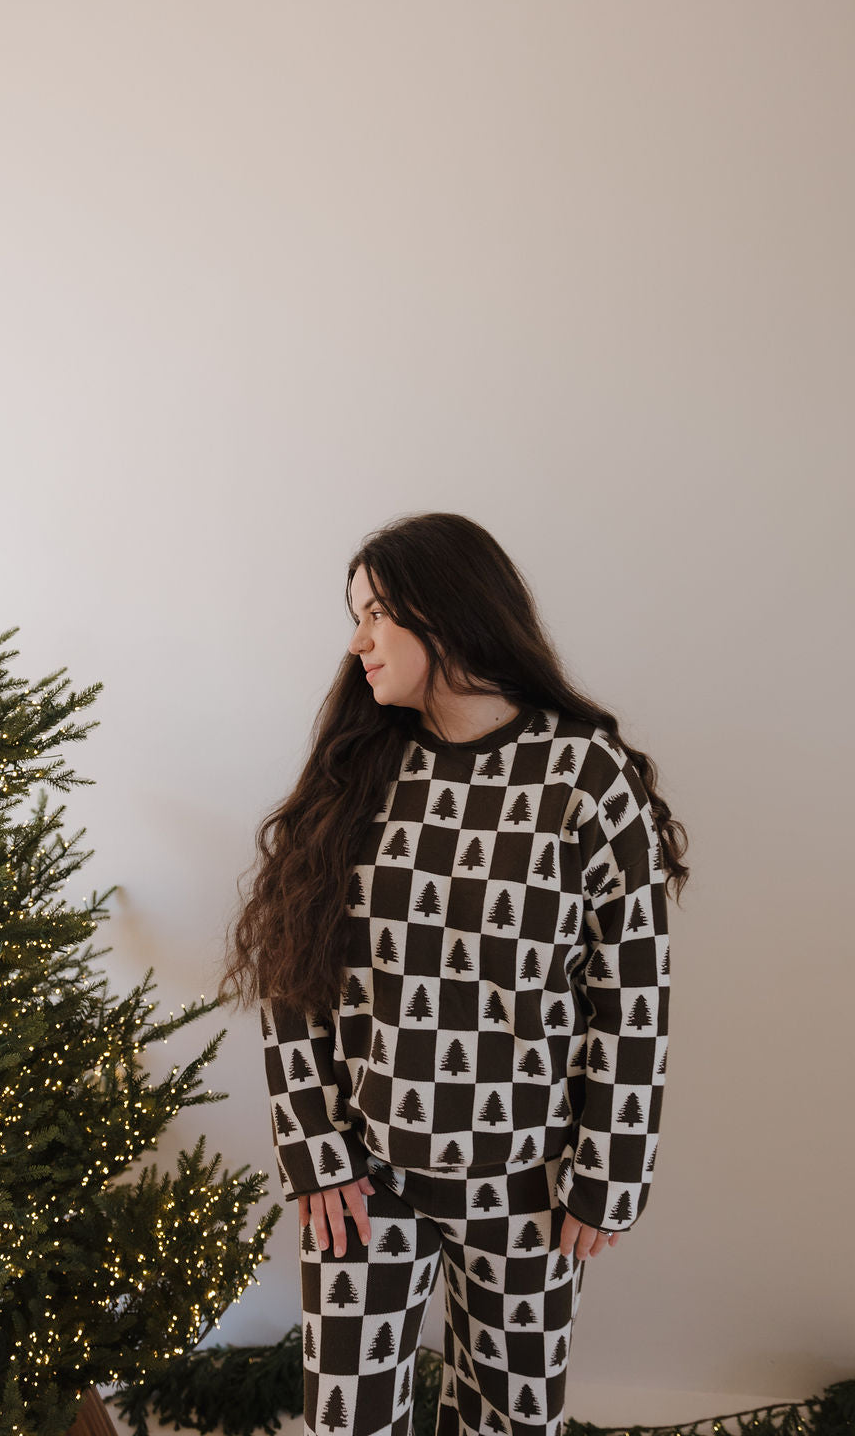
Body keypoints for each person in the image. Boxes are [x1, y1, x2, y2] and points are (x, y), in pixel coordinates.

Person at [221, 512, 688, 1436]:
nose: (357, 642)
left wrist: (610, 1171)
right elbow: (292, 972)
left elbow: (633, 994)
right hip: (365, 1184)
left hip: (528, 1186)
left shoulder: (583, 777)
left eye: (376, 614)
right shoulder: (358, 769)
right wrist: (314, 1150)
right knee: (348, 1423)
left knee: (509, 1422)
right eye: (354, 617)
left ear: (445, 612)